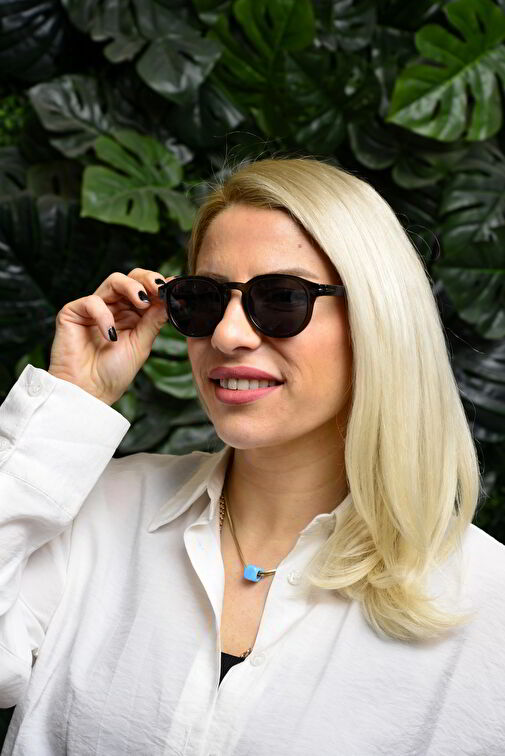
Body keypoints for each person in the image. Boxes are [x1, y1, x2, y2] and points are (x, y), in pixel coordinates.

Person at [0, 157, 504, 756]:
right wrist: (73, 399)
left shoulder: (484, 601)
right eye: (204, 299)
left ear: (377, 319)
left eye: (282, 297)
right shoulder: (96, 513)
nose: (227, 335)